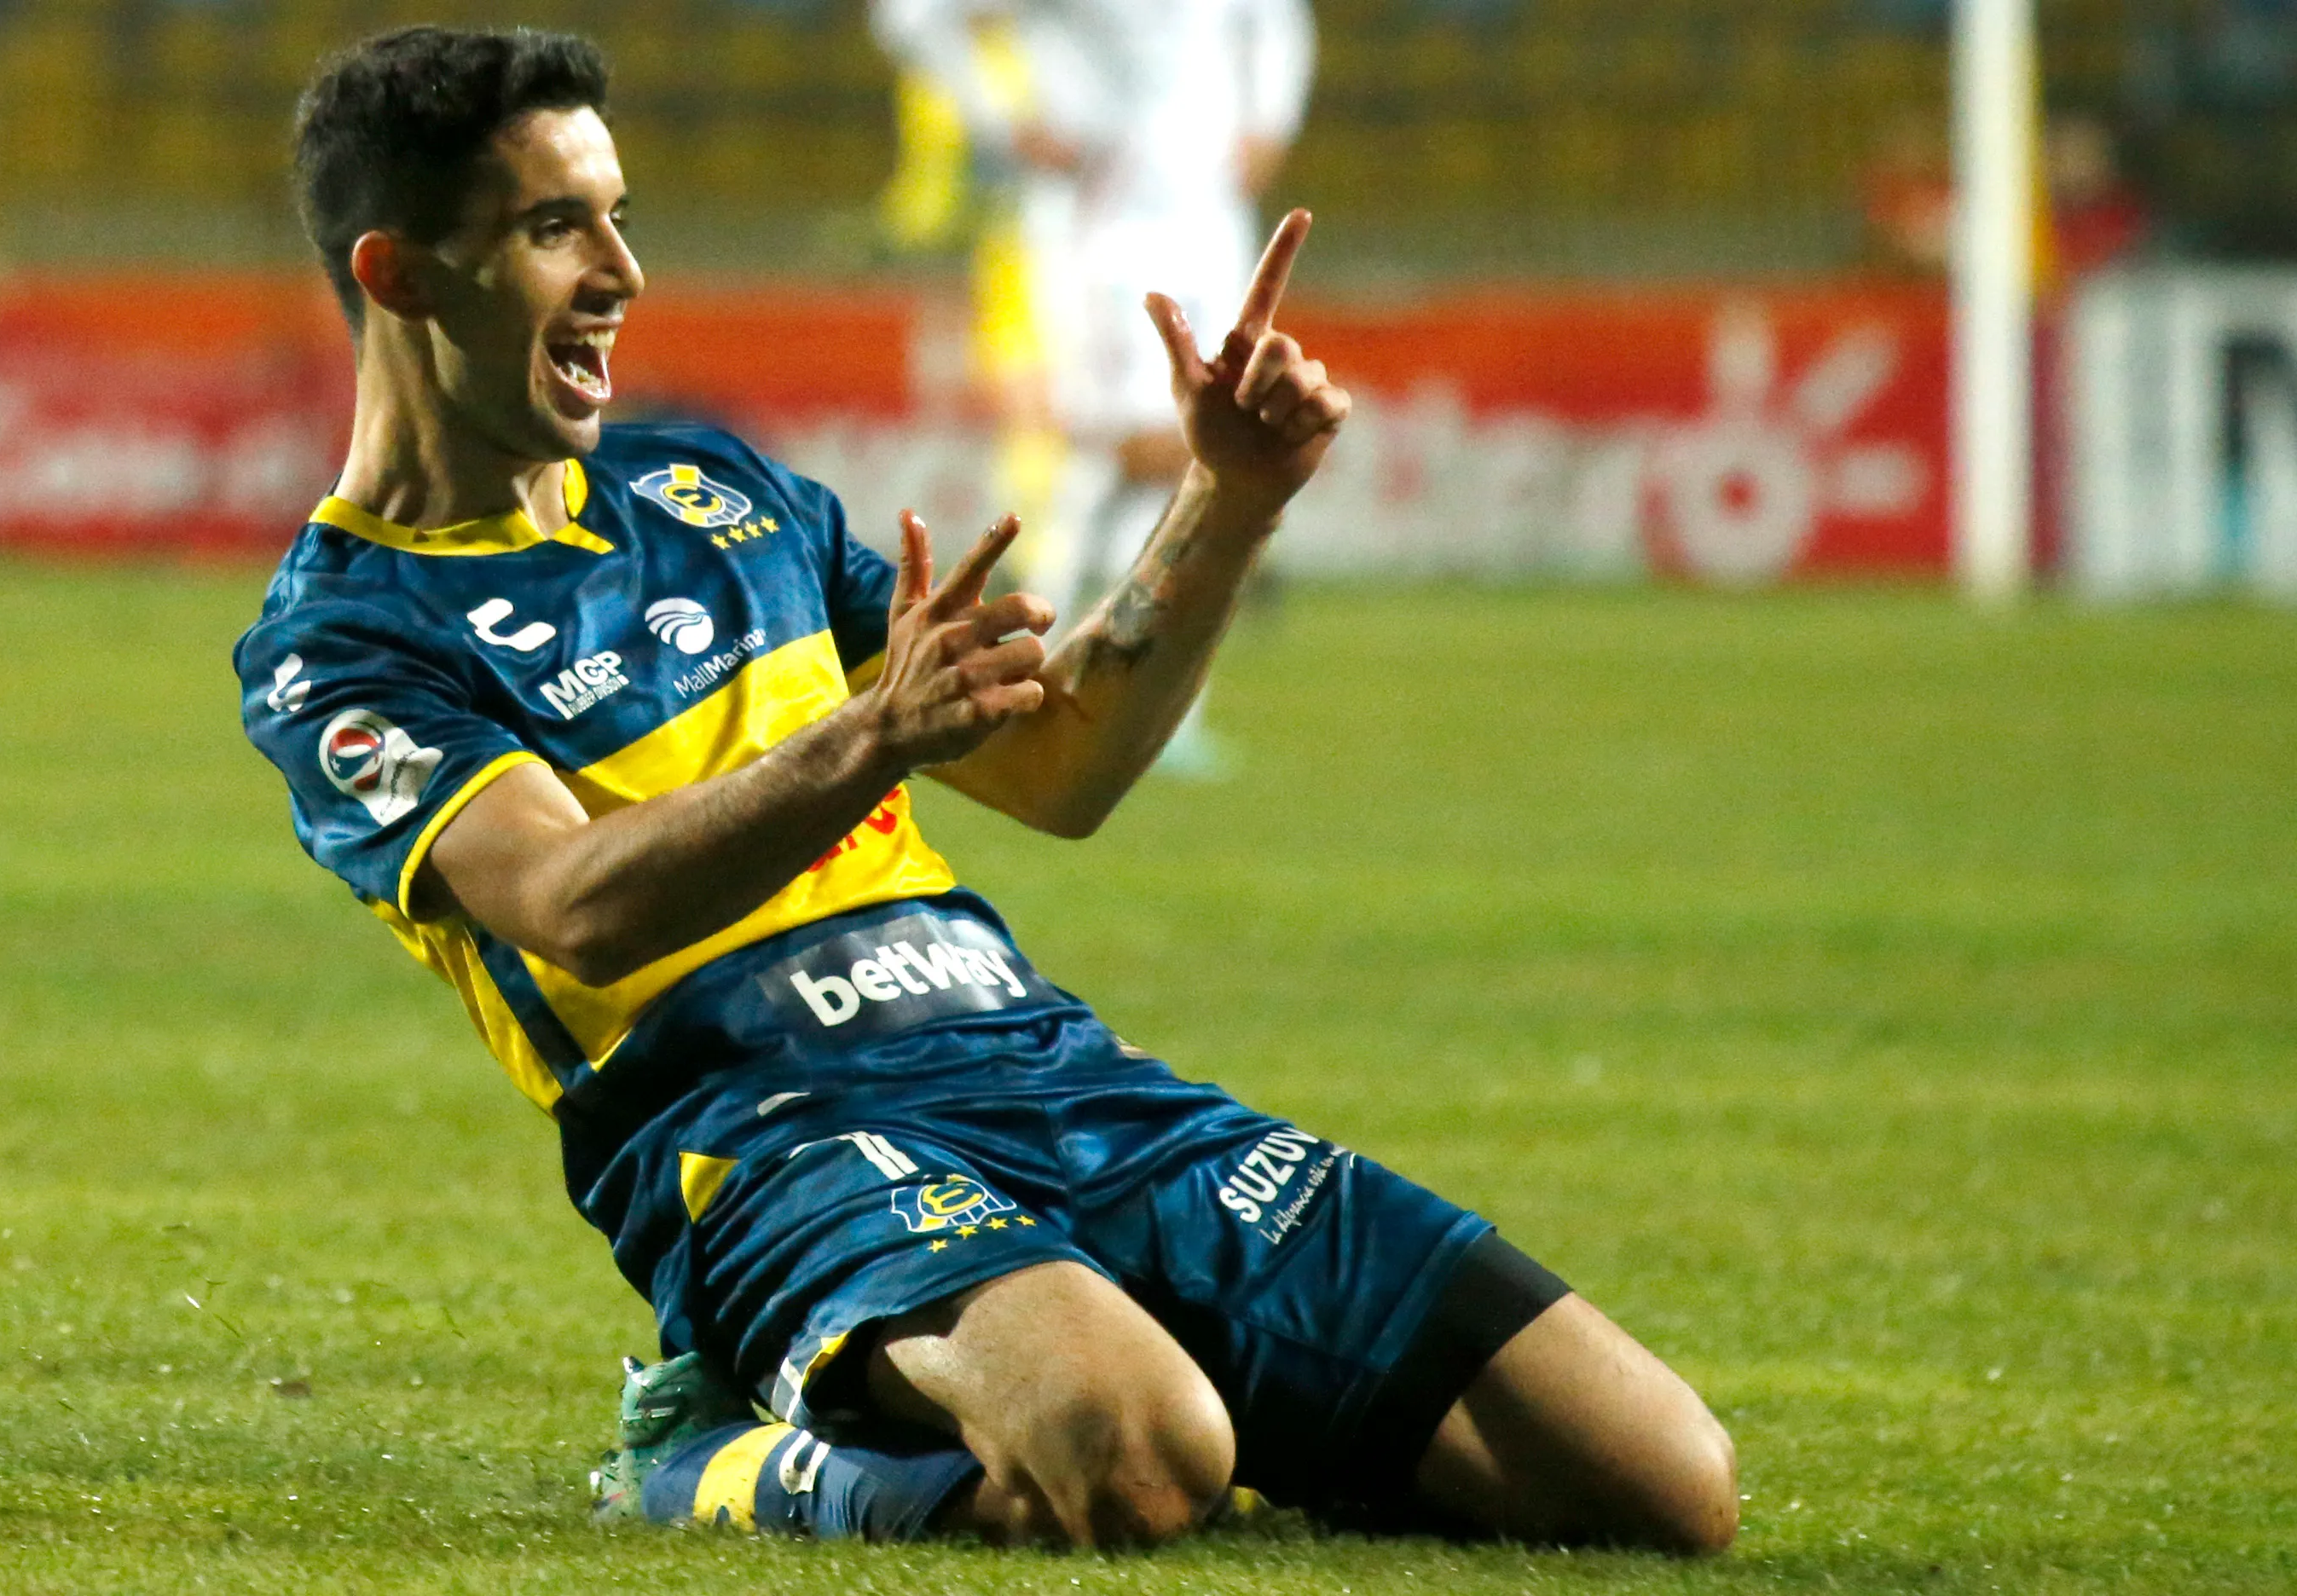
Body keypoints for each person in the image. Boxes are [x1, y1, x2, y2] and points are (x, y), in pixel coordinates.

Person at [240, 25, 1737, 1553]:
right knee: (1141, 1458)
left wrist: (1226, 500)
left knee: (1660, 1484)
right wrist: (866, 740)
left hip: (1044, 1068)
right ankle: (707, 1450)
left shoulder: (716, 492)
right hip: (767, 1141)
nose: (622, 271)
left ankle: (1141, 1356)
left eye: (621, 218)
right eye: (556, 228)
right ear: (399, 275)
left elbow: (1058, 765)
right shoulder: (344, 641)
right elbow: (573, 906)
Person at [871, 0, 1316, 776]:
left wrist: (1269, 121)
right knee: (1123, 451)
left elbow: (1276, 20)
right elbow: (913, 17)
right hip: (1099, 221)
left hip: (1211, 218)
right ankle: (1045, 681)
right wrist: (1002, 122)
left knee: (1190, 455)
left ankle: (1140, 713)